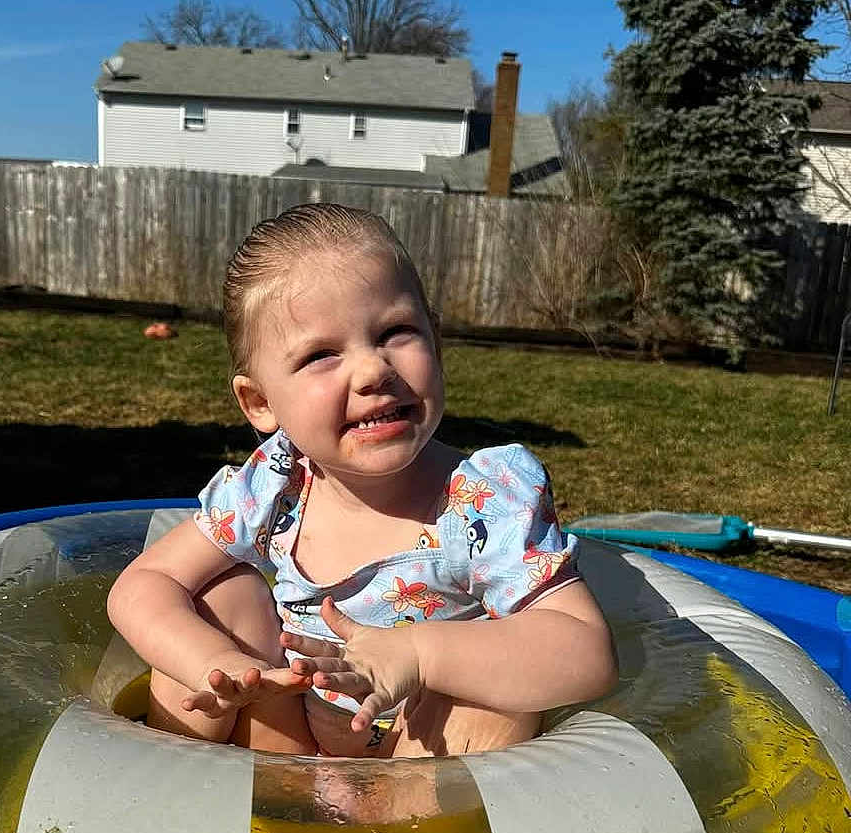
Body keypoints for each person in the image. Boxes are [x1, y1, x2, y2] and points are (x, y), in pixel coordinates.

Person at [107, 203, 618, 757]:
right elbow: (143, 585)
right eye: (322, 355)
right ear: (259, 402)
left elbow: (587, 652)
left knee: (494, 696)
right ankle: (183, 798)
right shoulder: (275, 484)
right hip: (283, 749)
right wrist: (215, 664)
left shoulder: (483, 500)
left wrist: (420, 656)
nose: (374, 370)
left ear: (436, 343)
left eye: (396, 332)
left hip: (410, 769)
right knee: (220, 597)